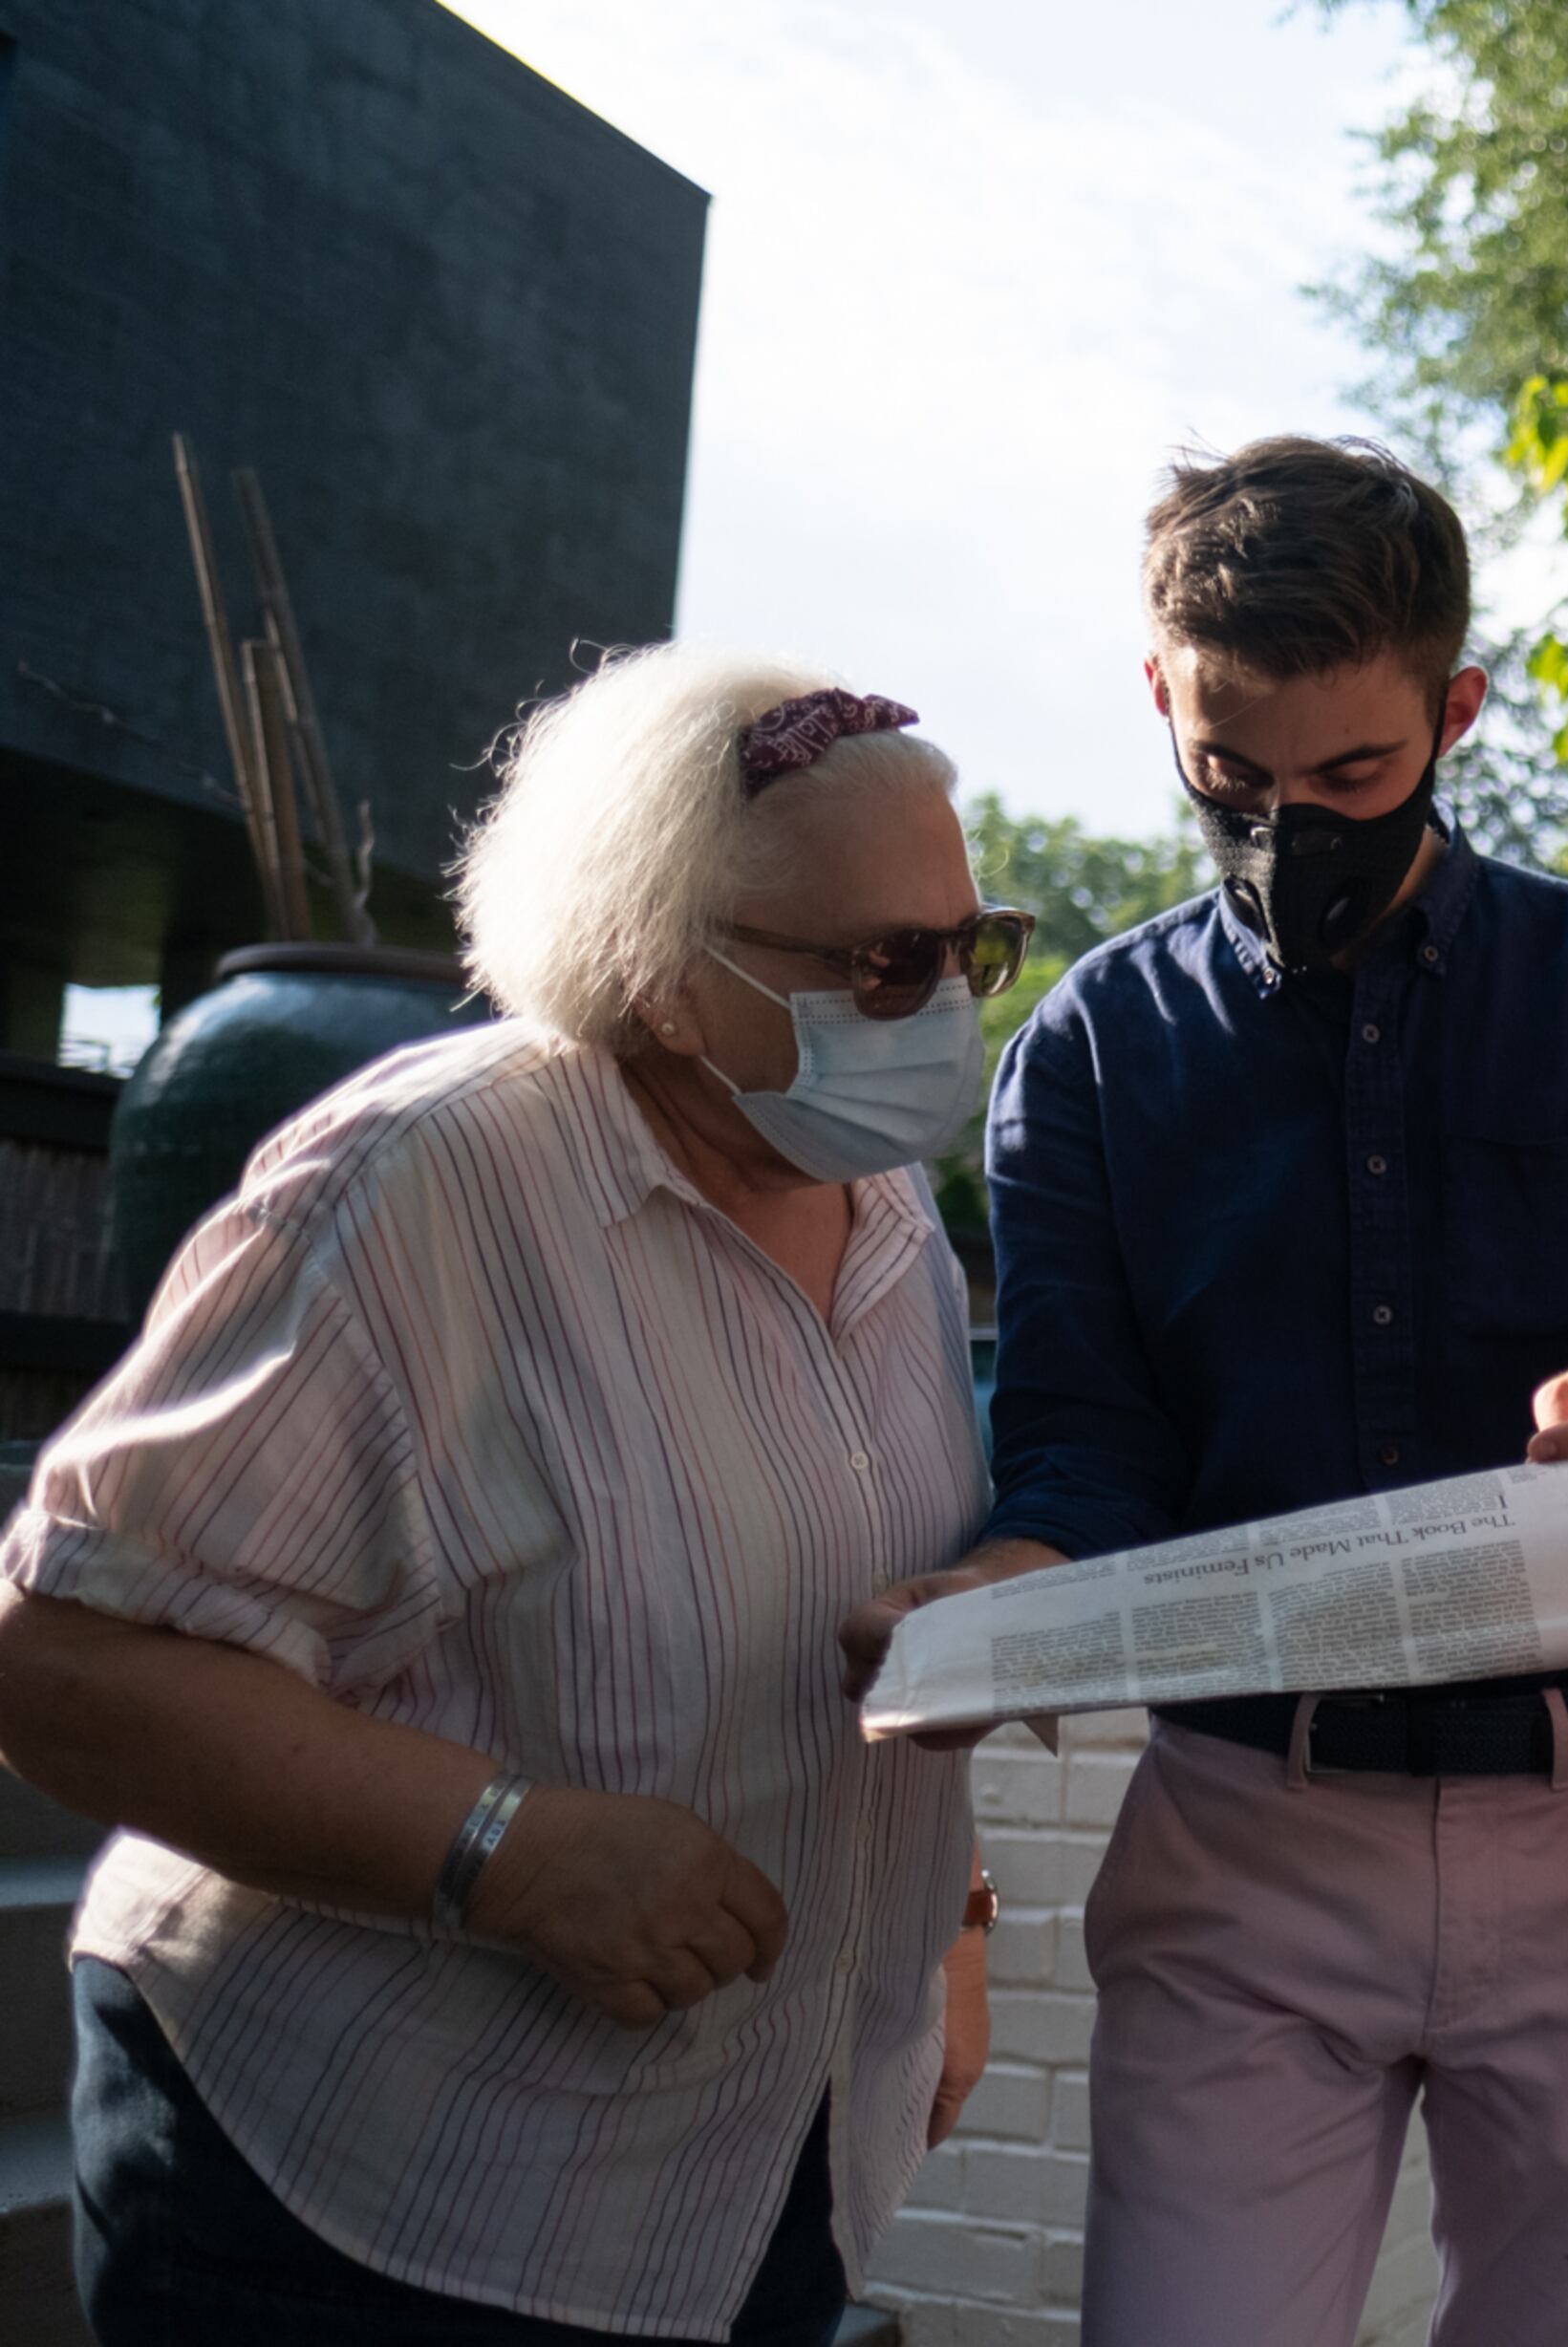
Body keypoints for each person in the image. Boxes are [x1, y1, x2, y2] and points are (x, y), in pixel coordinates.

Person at [835, 436, 1568, 2347]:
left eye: (1354, 775)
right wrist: (1000, 1588)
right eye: (1228, 778)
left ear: (1455, 710)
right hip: (1244, 1833)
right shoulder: (1094, 1048)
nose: (1290, 831)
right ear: (1161, 701)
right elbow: (1085, 1440)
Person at [0, 646, 1022, 2343]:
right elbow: (62, 1661)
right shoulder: (421, 1185)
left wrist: (944, 1936)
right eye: (882, 963)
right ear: (662, 976)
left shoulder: (890, 1210)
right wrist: (501, 1849)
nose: (946, 1007)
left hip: (755, 2176)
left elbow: (853, 1612)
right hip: (372, 2198)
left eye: (971, 948)